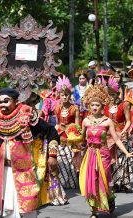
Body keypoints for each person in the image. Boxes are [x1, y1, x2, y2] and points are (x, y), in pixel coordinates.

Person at [0, 88, 60, 218]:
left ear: (16, 101)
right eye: (0, 102)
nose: (2, 104)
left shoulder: (26, 116)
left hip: (25, 171)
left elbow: (51, 131)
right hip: (3, 171)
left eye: (6, 101)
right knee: (7, 209)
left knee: (27, 209)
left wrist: (52, 155)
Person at [80, 84, 133, 218]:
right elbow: (81, 139)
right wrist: (72, 139)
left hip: (103, 154)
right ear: (89, 106)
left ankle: (109, 198)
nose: (95, 107)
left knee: (101, 180)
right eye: (92, 105)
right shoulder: (85, 121)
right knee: (92, 180)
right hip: (90, 154)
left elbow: (116, 139)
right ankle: (93, 211)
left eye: (97, 105)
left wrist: (126, 152)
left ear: (102, 106)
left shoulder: (107, 121)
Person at [53, 75, 79, 203]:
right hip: (60, 136)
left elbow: (78, 125)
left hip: (71, 136)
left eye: (67, 95)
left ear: (70, 95)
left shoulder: (74, 108)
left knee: (71, 161)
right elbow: (57, 123)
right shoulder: (57, 108)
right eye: (62, 95)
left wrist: (73, 134)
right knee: (60, 160)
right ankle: (64, 181)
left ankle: (73, 182)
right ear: (59, 95)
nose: (65, 97)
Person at [104, 77, 133, 192]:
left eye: (112, 94)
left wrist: (123, 131)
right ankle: (116, 183)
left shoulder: (124, 105)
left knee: (123, 159)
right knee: (113, 160)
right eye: (109, 94)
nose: (110, 97)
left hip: (121, 134)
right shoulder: (106, 106)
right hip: (109, 136)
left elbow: (129, 121)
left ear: (117, 93)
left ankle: (125, 182)